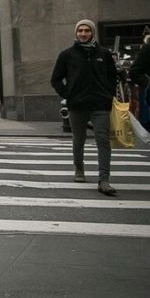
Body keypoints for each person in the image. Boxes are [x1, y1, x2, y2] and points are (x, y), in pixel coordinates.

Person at [50, 19, 118, 195]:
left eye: (87, 30)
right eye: (80, 30)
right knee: (78, 140)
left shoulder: (104, 54)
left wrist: (108, 94)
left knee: (103, 141)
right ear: (76, 33)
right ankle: (79, 170)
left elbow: (113, 77)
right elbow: (55, 79)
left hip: (100, 104)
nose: (83, 33)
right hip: (77, 105)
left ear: (92, 33)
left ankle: (104, 180)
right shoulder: (67, 55)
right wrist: (68, 94)